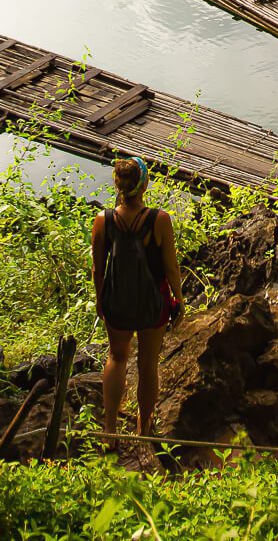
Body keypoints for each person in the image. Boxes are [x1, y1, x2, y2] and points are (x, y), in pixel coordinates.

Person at [91, 156, 183, 445]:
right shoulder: (159, 219)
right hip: (152, 303)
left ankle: (109, 430)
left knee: (116, 357)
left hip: (117, 301)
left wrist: (100, 299)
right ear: (144, 185)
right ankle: (144, 431)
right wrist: (178, 300)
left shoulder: (103, 220)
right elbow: (170, 267)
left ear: (118, 185)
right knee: (147, 364)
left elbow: (98, 268)